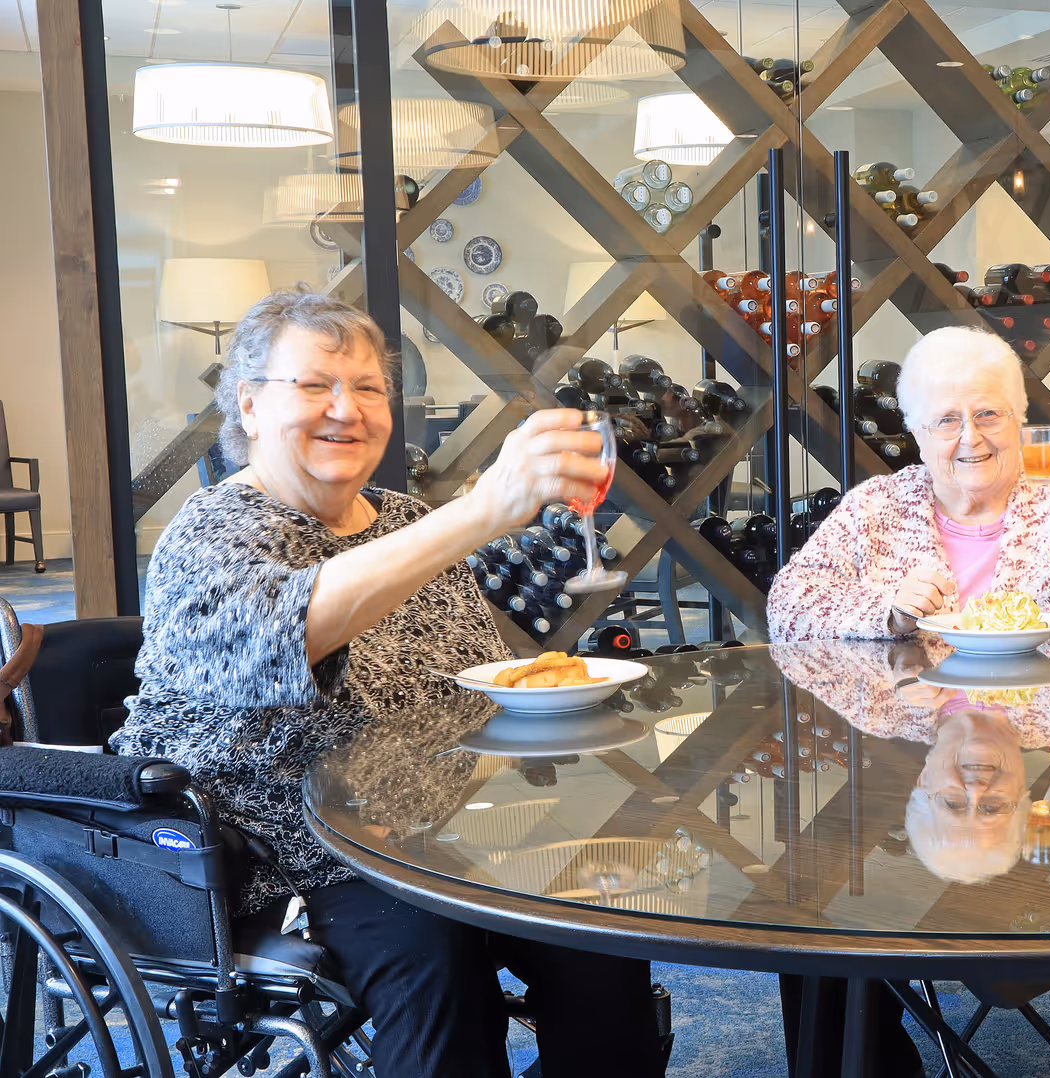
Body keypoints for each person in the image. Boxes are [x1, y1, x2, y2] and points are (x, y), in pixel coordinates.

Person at [109, 289, 662, 1078]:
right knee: (434, 959)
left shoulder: (403, 518)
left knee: (596, 932)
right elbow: (284, 634)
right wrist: (479, 514)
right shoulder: (209, 531)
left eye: (368, 388)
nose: (348, 409)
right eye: (314, 386)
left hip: (445, 822)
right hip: (289, 846)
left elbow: (474, 683)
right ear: (250, 406)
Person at [771, 635, 1050, 1077]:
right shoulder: (886, 710)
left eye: (960, 803)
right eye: (988, 807)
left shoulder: (877, 707)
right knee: (820, 916)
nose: (974, 790)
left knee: (814, 902)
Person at [767, 326, 1050, 639]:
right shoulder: (877, 506)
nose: (971, 437)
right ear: (916, 432)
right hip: (920, 737)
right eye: (947, 420)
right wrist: (887, 612)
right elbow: (787, 608)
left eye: (987, 414)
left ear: (1018, 417)